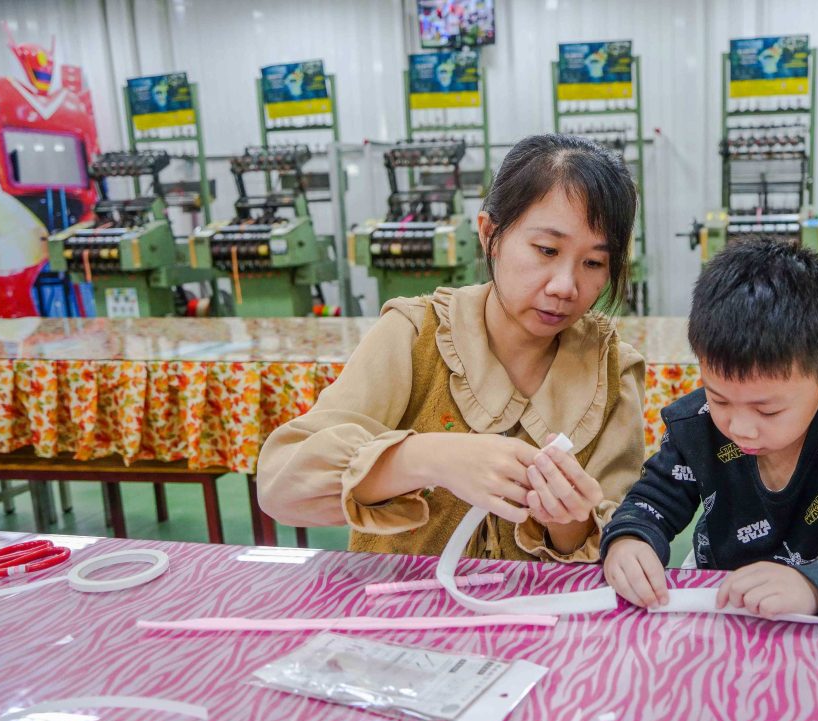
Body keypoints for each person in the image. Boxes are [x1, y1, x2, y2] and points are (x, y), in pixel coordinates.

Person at [258, 134, 645, 563]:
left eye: (594, 263)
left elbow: (615, 537)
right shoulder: (414, 336)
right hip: (403, 619)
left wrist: (567, 520)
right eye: (547, 250)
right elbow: (281, 486)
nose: (565, 286)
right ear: (489, 234)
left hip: (539, 622)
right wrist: (426, 457)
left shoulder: (612, 371)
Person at [600, 238, 818, 617]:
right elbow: (650, 502)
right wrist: (628, 539)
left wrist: (817, 583)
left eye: (767, 410)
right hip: (726, 610)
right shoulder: (697, 425)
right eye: (719, 398)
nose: (740, 428)